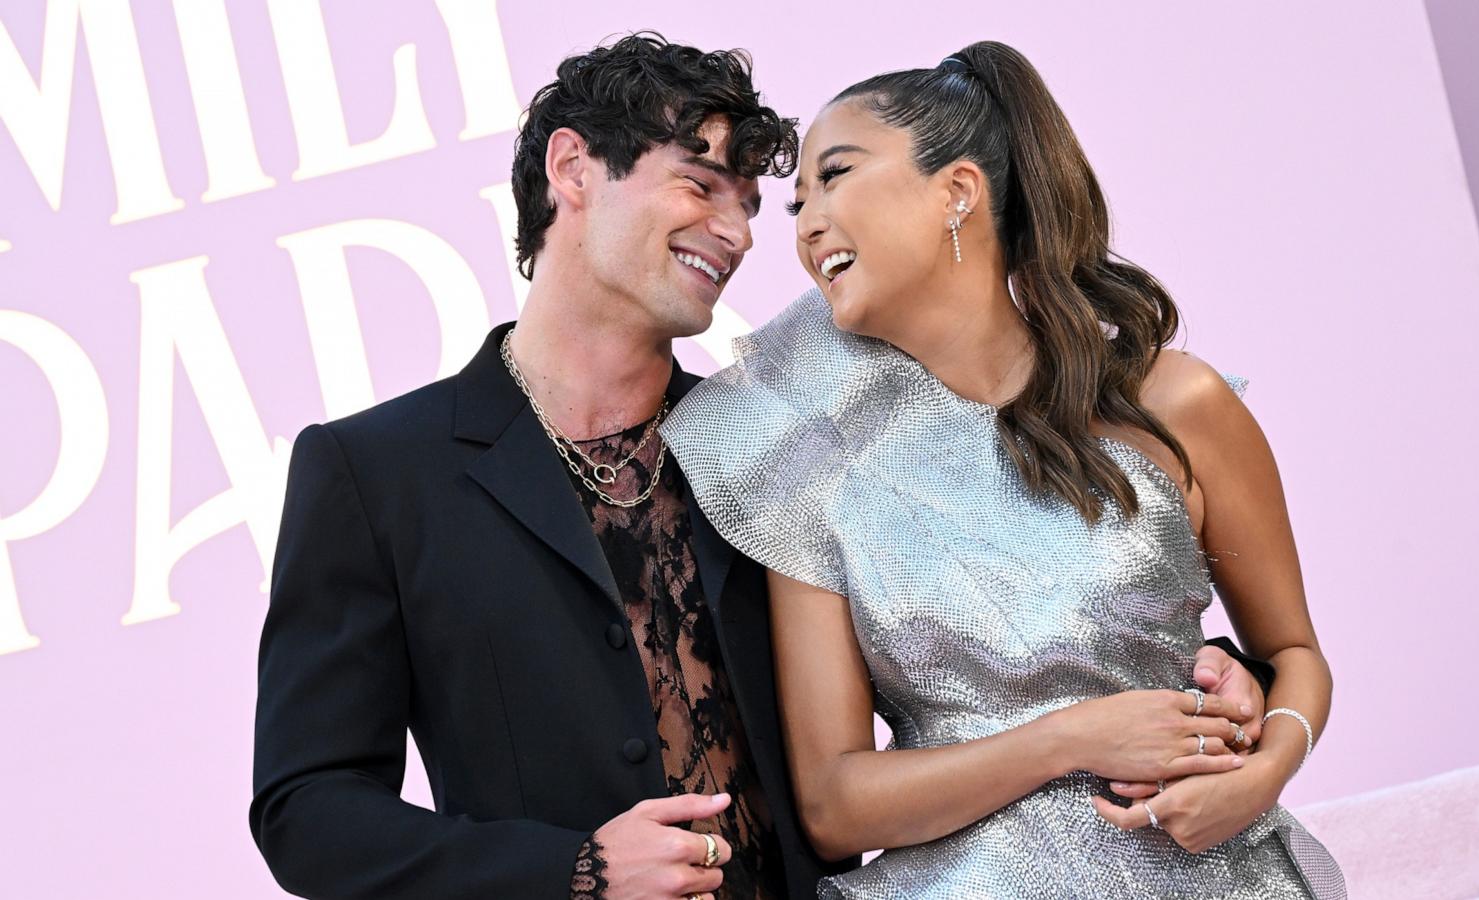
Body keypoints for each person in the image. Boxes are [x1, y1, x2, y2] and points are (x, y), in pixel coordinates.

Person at [251, 32, 1275, 900]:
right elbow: (306, 810)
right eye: (699, 185)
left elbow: (991, 626)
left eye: (749, 200)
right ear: (571, 169)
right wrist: (569, 870)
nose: (740, 232)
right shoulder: (374, 472)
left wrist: (1236, 674)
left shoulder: (781, 446)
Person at [661, 41, 1345, 899]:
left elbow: (1292, 651)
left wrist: (1265, 770)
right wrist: (1072, 738)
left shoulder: (1179, 401)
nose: (805, 223)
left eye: (836, 176)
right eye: (798, 200)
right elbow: (835, 801)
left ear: (959, 191)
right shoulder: (809, 462)